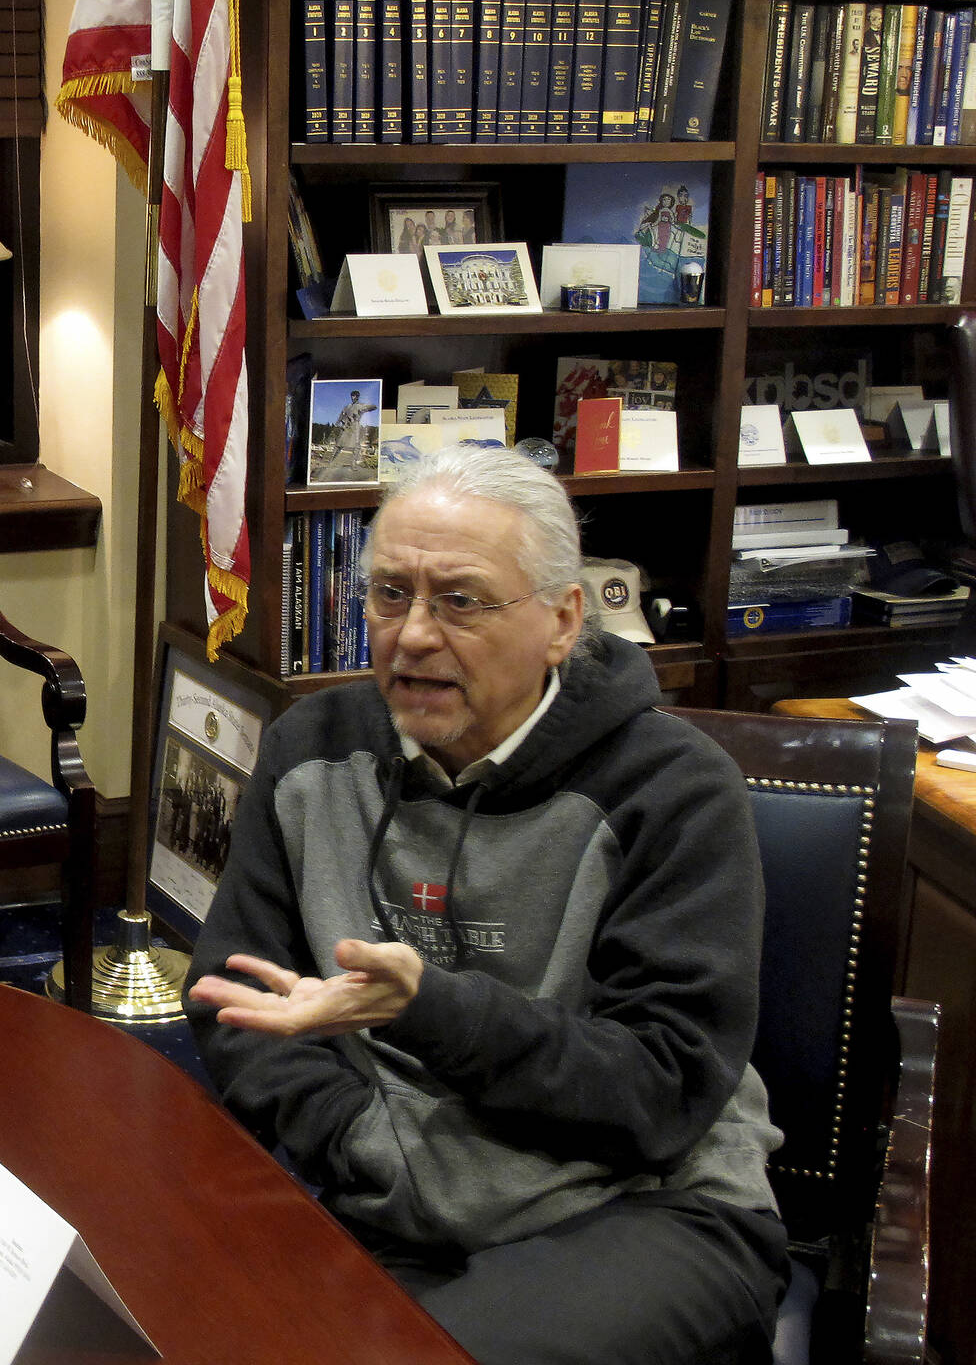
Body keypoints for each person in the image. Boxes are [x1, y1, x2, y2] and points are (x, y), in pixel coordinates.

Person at [185, 445, 788, 1365]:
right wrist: (355, 1139)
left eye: (459, 601)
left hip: (643, 1203)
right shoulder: (315, 751)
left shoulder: (672, 789)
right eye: (390, 595)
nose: (414, 635)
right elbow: (236, 998)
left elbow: (663, 1087)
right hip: (394, 1192)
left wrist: (433, 1009)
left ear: (562, 619)